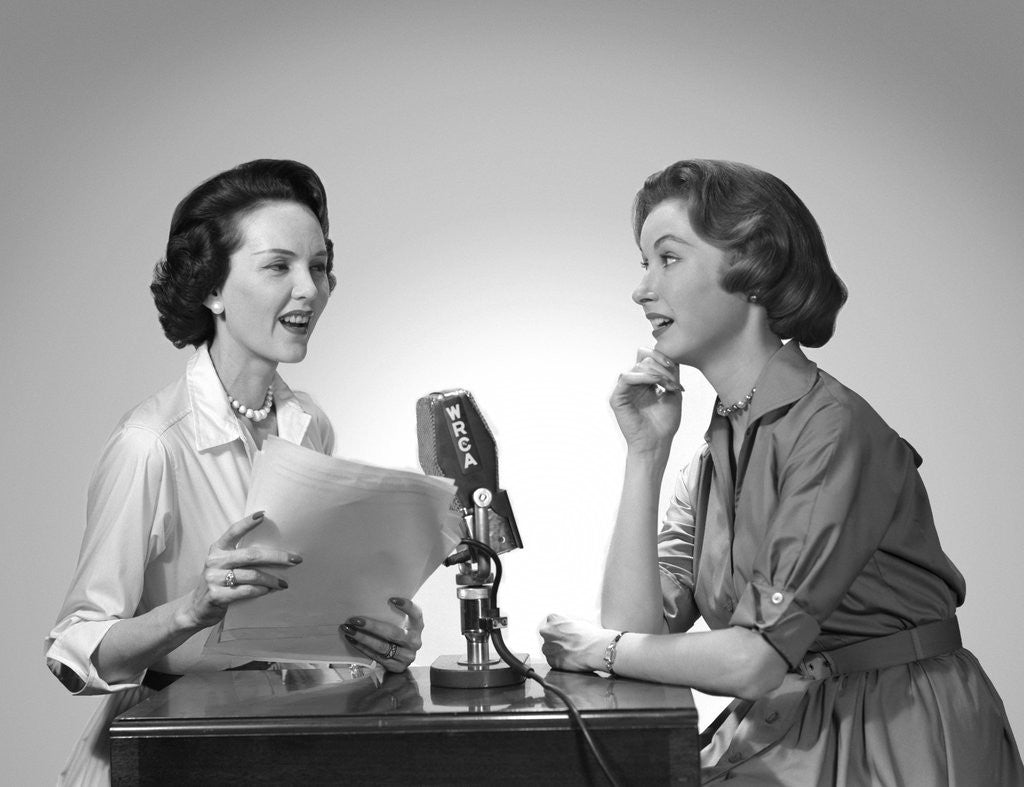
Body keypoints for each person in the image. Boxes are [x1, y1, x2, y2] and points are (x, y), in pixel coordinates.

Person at [540, 159, 1024, 784]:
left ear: (754, 271)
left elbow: (752, 660)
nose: (641, 290)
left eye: (668, 258)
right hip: (796, 723)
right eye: (643, 263)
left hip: (897, 735)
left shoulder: (833, 430)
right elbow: (637, 631)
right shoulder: (715, 451)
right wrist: (645, 455)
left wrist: (598, 651)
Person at [45, 159, 424, 784]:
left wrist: (372, 639)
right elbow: (73, 650)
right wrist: (192, 608)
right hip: (166, 745)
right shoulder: (151, 444)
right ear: (213, 288)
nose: (310, 289)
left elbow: (298, 617)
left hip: (279, 739)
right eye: (279, 266)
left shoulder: (309, 424)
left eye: (319, 266)